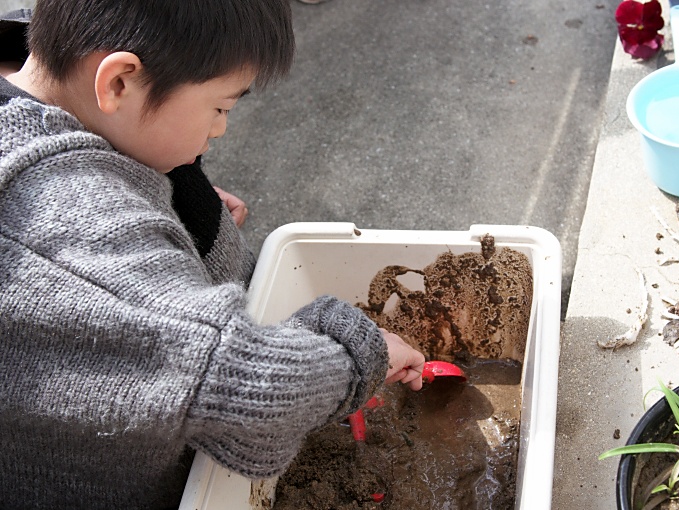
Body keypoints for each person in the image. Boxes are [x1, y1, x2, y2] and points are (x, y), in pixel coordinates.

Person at [0, 2, 425, 509]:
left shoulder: (52, 77)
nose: (221, 129)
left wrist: (171, 202)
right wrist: (361, 353)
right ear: (117, 82)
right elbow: (252, 385)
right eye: (221, 107)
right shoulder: (68, 242)